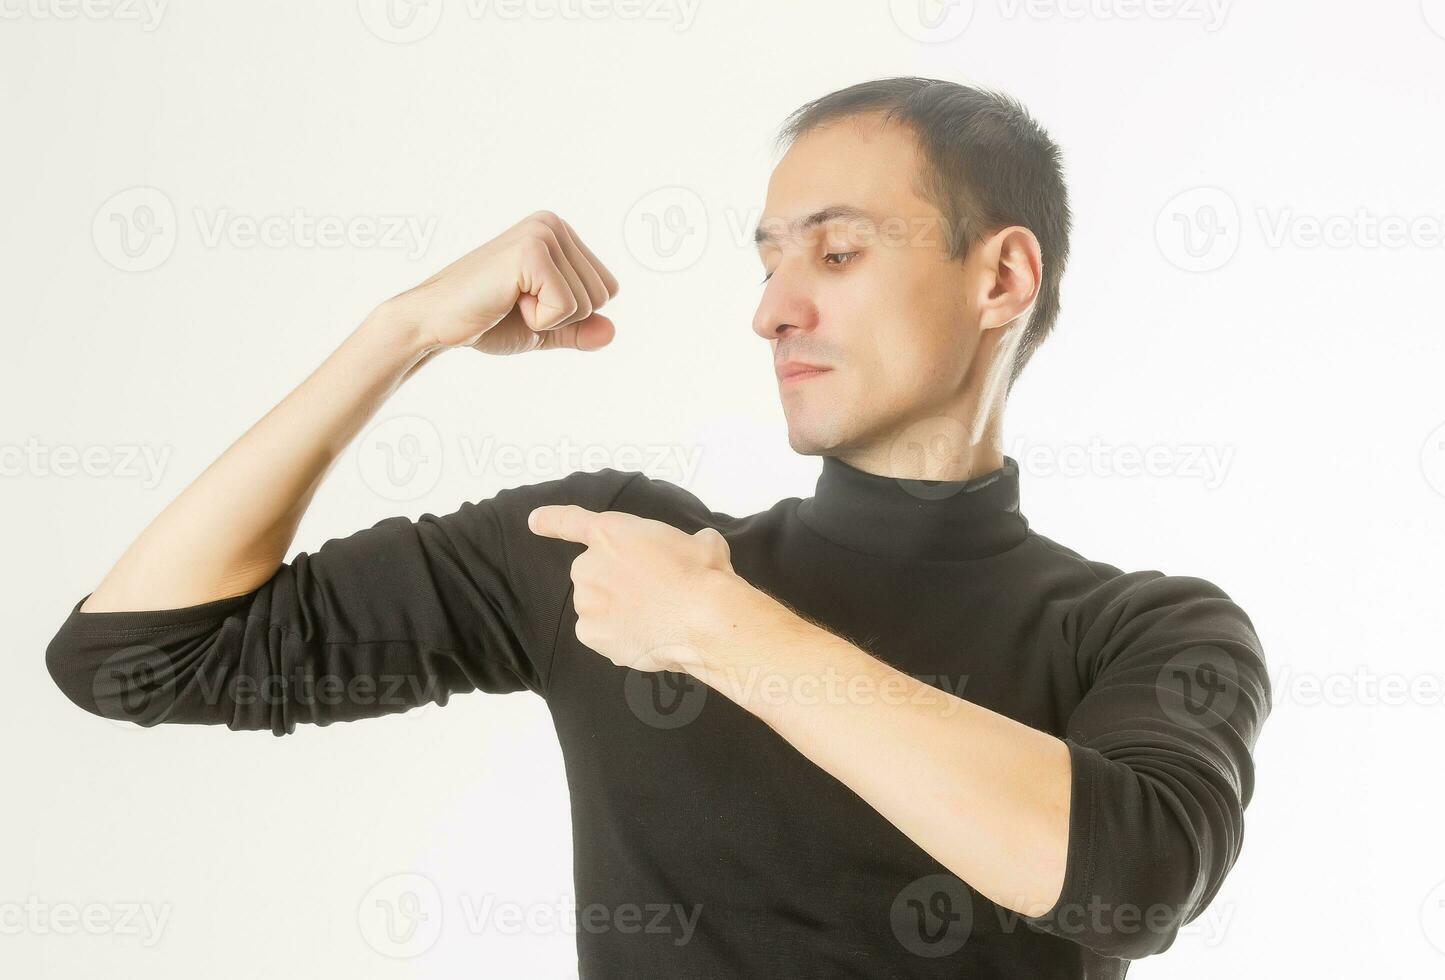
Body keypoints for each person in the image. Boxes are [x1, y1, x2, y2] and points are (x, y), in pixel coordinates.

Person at [44, 76, 1271, 978]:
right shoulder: (615, 547)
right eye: (769, 261)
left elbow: (1130, 879)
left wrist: (720, 630)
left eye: (836, 253)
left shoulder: (1148, 628)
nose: (774, 309)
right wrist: (405, 328)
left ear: (1001, 278)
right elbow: (138, 652)